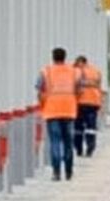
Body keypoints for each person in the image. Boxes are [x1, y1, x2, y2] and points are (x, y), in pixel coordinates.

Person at [36, 48, 77, 181]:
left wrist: (42, 104)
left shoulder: (45, 71)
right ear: (65, 57)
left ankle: (56, 172)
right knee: (68, 142)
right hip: (69, 110)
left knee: (55, 142)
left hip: (52, 111)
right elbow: (80, 88)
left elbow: (39, 89)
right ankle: (69, 171)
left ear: (53, 57)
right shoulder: (73, 71)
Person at [72, 55, 103, 158]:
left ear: (81, 62)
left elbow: (77, 88)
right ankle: (90, 147)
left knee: (78, 127)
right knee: (91, 127)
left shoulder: (77, 71)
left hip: (80, 102)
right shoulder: (96, 71)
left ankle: (79, 148)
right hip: (94, 102)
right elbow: (99, 86)